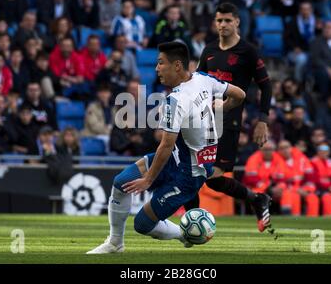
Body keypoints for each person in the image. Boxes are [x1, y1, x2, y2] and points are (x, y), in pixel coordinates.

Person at [86, 41, 245, 254]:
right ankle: (115, 243)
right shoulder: (203, 79)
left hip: (189, 174)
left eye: (161, 63)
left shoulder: (177, 100)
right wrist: (222, 108)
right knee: (121, 182)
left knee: (142, 224)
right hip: (180, 157)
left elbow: (166, 145)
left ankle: (184, 234)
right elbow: (240, 95)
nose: (156, 68)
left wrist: (148, 180)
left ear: (177, 66)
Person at [183, 2, 273, 233]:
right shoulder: (209, 50)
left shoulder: (248, 51)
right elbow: (197, 83)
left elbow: (266, 86)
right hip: (201, 120)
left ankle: (192, 223)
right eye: (219, 20)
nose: (222, 24)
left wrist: (262, 120)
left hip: (228, 122)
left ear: (237, 22)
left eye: (227, 20)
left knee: (201, 173)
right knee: (201, 175)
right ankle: (256, 199)